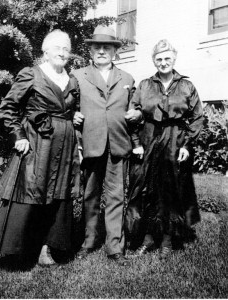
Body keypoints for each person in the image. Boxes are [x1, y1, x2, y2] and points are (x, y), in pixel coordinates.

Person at [0, 30, 80, 267]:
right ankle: (17, 251)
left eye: (66, 49)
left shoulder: (71, 80)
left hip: (64, 145)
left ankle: (46, 249)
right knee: (30, 190)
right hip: (37, 143)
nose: (62, 52)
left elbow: (67, 109)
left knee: (58, 194)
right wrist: (18, 135)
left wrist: (74, 117)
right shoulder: (32, 75)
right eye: (57, 47)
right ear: (45, 51)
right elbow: (8, 107)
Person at [125, 39, 204, 259]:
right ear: (153, 61)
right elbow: (133, 115)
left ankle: (168, 240)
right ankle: (148, 239)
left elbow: (197, 117)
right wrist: (136, 143)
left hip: (175, 140)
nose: (163, 62)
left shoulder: (187, 86)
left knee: (171, 190)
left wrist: (187, 144)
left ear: (174, 58)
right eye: (159, 59)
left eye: (167, 58)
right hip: (149, 138)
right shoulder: (145, 85)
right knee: (147, 189)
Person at [72, 25, 143, 265]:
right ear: (90, 51)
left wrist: (138, 114)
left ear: (114, 52)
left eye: (107, 47)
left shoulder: (127, 78)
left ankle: (115, 246)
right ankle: (89, 241)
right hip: (91, 144)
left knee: (116, 197)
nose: (102, 51)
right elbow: (68, 105)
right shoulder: (78, 76)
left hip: (118, 145)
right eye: (97, 47)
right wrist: (72, 115)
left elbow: (136, 108)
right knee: (90, 196)